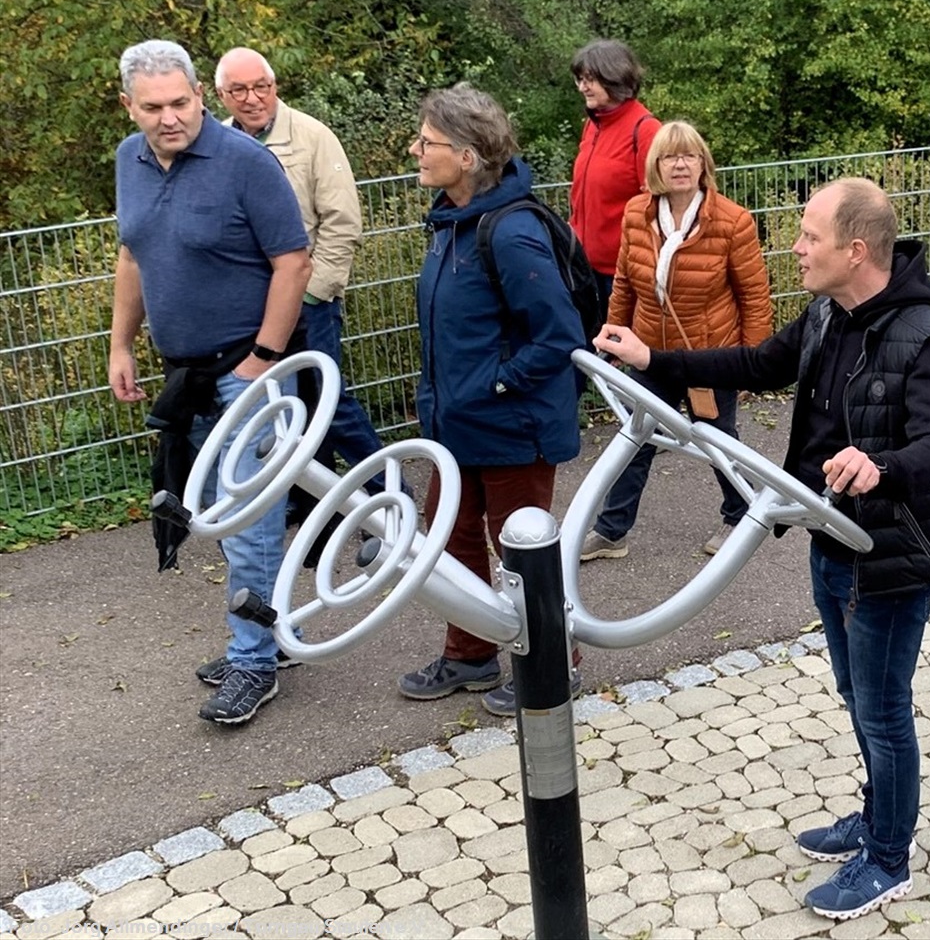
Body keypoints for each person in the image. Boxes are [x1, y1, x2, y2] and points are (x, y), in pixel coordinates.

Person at [594, 178, 930, 923]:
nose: (794, 248)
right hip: (830, 535)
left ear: (853, 249)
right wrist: (654, 358)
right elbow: (761, 363)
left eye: (808, 236)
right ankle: (873, 818)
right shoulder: (831, 313)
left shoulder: (924, 337)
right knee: (855, 695)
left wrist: (880, 466)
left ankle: (889, 857)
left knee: (883, 708)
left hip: (892, 552)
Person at [108, 40, 311, 726]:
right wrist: (120, 343)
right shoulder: (127, 162)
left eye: (181, 102)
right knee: (219, 519)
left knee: (250, 520)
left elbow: (293, 260)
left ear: (200, 95)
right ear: (129, 106)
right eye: (153, 107)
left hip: (246, 371)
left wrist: (263, 355)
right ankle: (267, 634)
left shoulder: (245, 163)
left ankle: (254, 660)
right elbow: (133, 252)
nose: (170, 118)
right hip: (184, 375)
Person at [399, 84, 585, 718]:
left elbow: (559, 337)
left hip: (512, 424)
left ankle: (554, 664)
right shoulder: (450, 225)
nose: (415, 151)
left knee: (522, 552)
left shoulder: (510, 234)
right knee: (447, 539)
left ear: (469, 157)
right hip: (459, 422)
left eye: (428, 142)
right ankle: (470, 651)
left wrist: (494, 385)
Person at [212, 47, 390, 550]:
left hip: (309, 299)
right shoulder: (218, 145)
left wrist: (313, 293)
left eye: (261, 87)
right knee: (276, 406)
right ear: (221, 95)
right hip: (252, 309)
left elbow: (342, 223)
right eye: (239, 91)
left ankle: (384, 491)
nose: (252, 99)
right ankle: (309, 499)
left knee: (328, 402)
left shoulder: (312, 137)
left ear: (275, 85)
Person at [580, 121, 771, 559]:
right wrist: (612, 336)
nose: (680, 164)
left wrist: (754, 363)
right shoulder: (637, 214)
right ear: (656, 166)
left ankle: (740, 516)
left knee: (717, 436)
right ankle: (612, 531)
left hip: (711, 355)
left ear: (703, 164)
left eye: (689, 155)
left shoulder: (733, 221)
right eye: (670, 156)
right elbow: (625, 282)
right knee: (635, 436)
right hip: (649, 351)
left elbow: (755, 297)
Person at [569, 39, 660, 303]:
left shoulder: (645, 130)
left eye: (589, 79)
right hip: (584, 267)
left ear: (614, 78)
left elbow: (659, 206)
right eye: (580, 79)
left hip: (623, 275)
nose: (582, 87)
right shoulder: (593, 124)